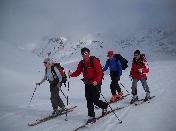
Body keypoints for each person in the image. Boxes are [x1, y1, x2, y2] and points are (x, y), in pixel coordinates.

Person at [68, 47, 108, 123]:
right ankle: (91, 116)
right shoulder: (81, 63)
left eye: (86, 53)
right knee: (89, 100)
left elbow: (99, 73)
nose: (84, 55)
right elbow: (78, 72)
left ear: (89, 53)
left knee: (95, 101)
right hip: (87, 83)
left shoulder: (94, 61)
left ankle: (104, 106)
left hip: (96, 83)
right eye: (83, 53)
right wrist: (71, 74)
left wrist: (96, 81)